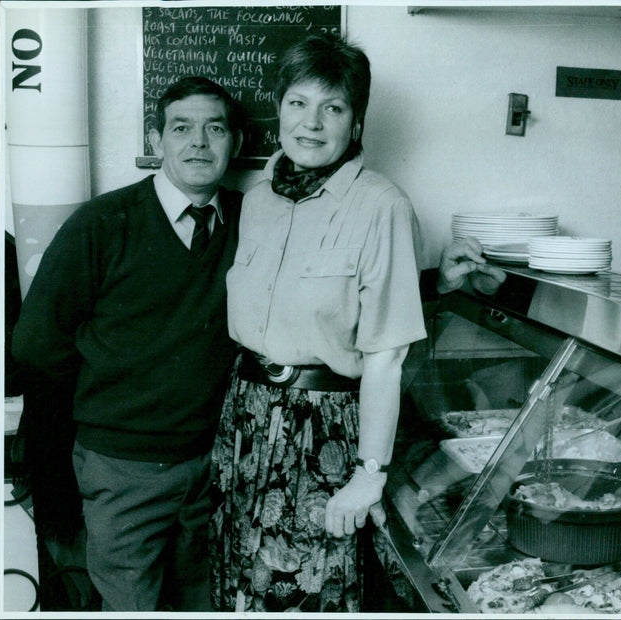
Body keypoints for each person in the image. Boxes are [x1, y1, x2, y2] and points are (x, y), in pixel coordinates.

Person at [209, 33, 427, 613]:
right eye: (298, 103)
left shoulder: (382, 205)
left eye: (333, 107)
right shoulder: (257, 201)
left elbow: (388, 355)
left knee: (308, 593)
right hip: (246, 420)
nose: (312, 122)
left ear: (355, 123)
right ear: (278, 109)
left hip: (324, 434)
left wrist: (369, 473)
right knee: (240, 587)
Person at [11, 76, 245, 611]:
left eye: (215, 129)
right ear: (155, 139)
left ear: (236, 142)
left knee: (204, 603)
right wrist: (116, 397)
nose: (199, 143)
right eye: (181, 128)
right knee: (129, 606)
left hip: (215, 464)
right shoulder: (102, 223)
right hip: (123, 467)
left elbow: (330, 295)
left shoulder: (252, 222)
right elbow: (34, 344)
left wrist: (434, 284)